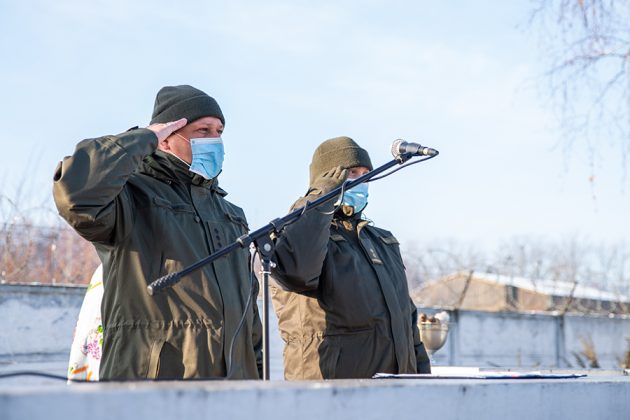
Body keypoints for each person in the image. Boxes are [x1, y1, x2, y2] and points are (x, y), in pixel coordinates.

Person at [54, 85, 262, 380]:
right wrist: (143, 138)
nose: (215, 140)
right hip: (154, 386)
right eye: (203, 130)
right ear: (165, 139)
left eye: (219, 131)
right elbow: (77, 193)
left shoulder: (230, 215)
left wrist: (257, 377)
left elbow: (248, 316)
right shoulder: (130, 197)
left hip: (234, 390)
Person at [270, 136, 431, 379]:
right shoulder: (297, 230)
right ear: (327, 179)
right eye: (352, 172)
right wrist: (319, 199)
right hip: (330, 389)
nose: (362, 180)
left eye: (366, 173)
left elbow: (407, 321)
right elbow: (297, 273)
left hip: (396, 390)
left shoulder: (381, 240)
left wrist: (422, 379)